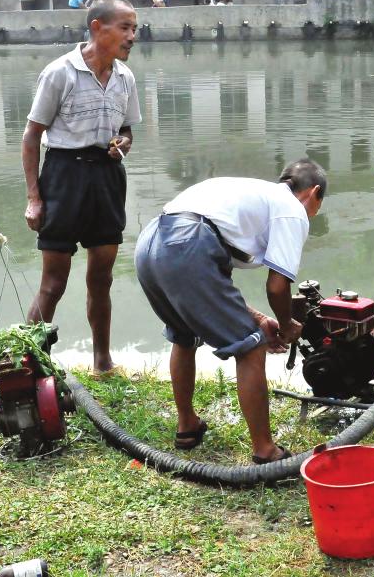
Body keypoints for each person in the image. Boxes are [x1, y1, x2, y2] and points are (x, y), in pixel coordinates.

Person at [134, 160, 327, 463]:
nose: (313, 215)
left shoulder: (250, 193)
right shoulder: (291, 209)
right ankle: (265, 449)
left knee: (184, 335)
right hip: (189, 245)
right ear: (313, 192)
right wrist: (288, 325)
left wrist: (261, 319)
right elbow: (277, 287)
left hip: (151, 243)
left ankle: (188, 426)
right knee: (251, 349)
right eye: (317, 206)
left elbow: (212, 281)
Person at [22, 0, 141, 374]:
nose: (132, 36)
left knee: (101, 279)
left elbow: (127, 128)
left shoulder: (125, 77)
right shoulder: (60, 72)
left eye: (134, 29)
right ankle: (26, 365)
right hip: (64, 176)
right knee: (53, 282)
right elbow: (31, 136)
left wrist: (124, 141)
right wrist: (34, 198)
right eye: (124, 28)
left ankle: (102, 362)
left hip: (107, 177)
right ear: (97, 27)